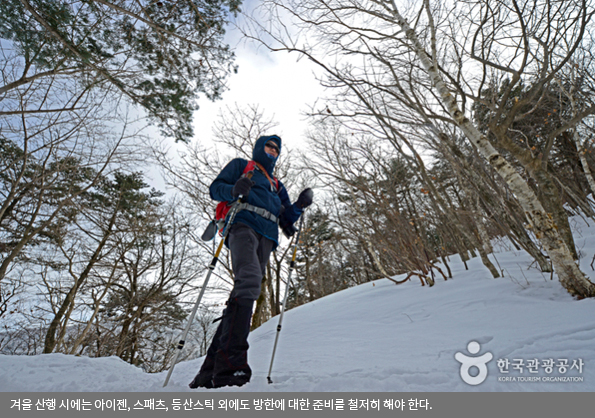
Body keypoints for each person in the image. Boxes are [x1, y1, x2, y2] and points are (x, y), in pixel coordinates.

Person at [189, 134, 313, 389]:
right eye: (269, 146)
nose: (272, 150)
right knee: (249, 282)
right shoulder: (241, 167)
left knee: (245, 290)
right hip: (243, 226)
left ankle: (207, 374)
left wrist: (300, 205)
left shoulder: (277, 185)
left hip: (267, 237)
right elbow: (216, 188)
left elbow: (286, 218)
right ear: (259, 147)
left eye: (276, 149)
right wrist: (234, 190)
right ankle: (231, 369)